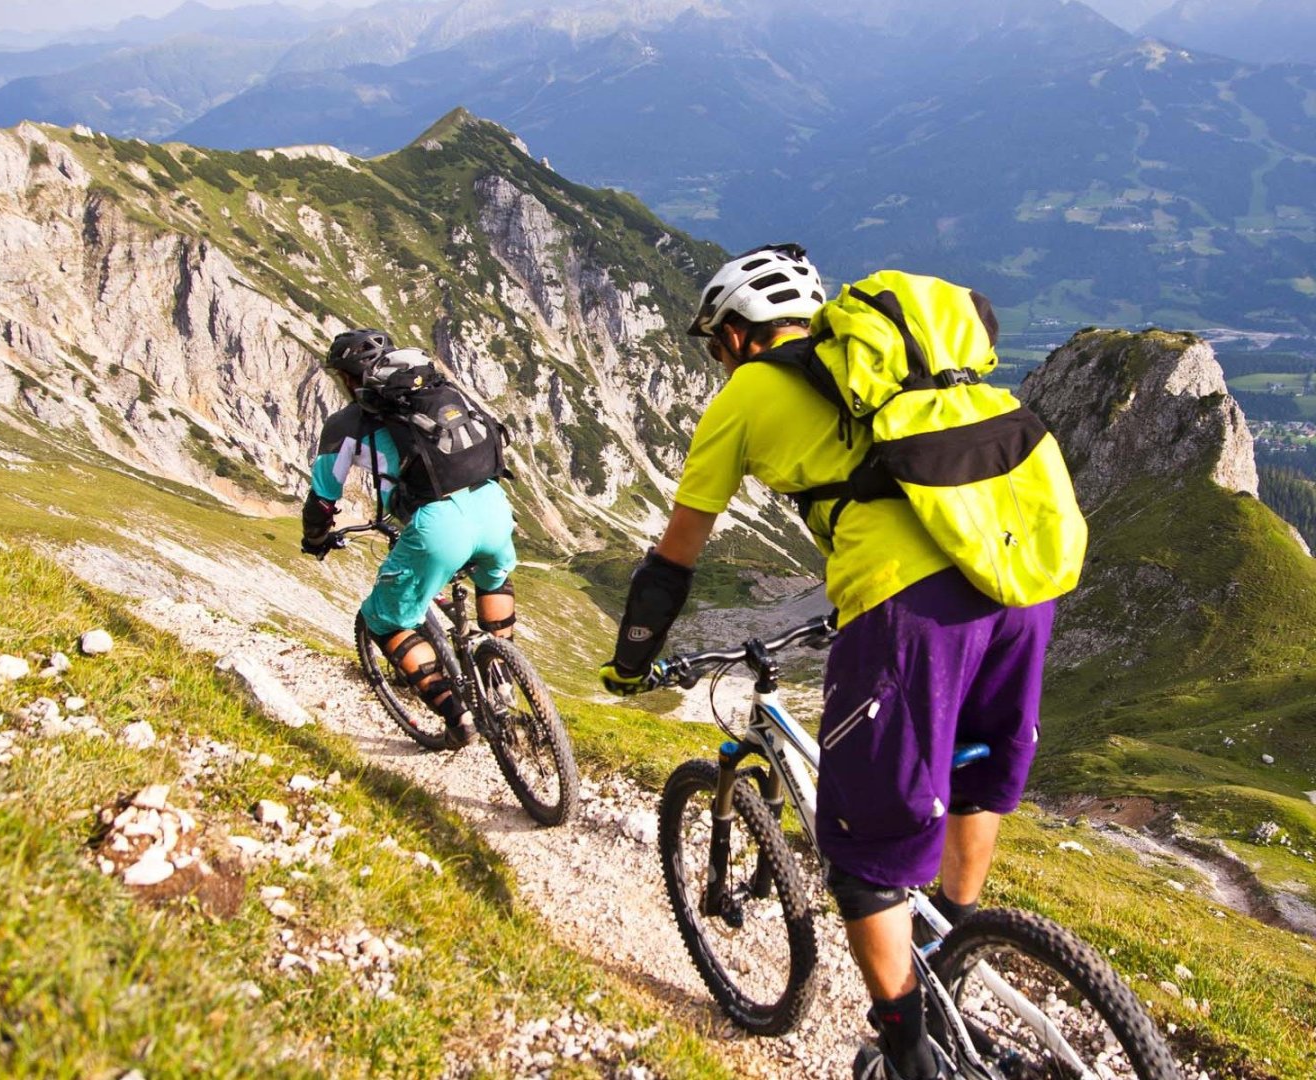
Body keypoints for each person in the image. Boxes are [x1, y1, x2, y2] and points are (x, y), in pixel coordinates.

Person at [598, 245, 1056, 1080]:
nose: (718, 360)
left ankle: (908, 1057)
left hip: (910, 607)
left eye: (716, 345)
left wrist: (632, 662)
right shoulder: (891, 368)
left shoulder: (747, 392)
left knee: (863, 863)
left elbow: (674, 558)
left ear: (737, 336)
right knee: (973, 769)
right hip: (1017, 579)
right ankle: (949, 934)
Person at [302, 328, 518, 751]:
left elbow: (323, 498)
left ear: (348, 378)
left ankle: (458, 719)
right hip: (493, 504)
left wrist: (316, 537)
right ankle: (504, 679)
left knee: (386, 619)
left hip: (438, 525)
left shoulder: (347, 425)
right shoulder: (437, 393)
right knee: (493, 578)